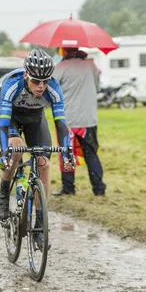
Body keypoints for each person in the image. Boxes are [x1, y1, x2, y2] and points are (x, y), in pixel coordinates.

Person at [0, 49, 73, 247]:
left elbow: (61, 124)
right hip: (11, 118)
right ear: (26, 75)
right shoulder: (12, 84)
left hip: (35, 119)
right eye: (36, 81)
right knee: (16, 150)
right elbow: (3, 124)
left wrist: (67, 152)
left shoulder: (53, 88)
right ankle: (3, 193)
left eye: (45, 81)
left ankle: (39, 225)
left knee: (44, 164)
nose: (41, 86)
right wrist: (5, 153)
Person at [51, 47, 106, 196]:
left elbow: (52, 91)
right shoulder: (91, 65)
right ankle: (99, 188)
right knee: (91, 154)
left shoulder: (61, 67)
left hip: (67, 120)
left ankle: (68, 188)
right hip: (88, 119)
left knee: (67, 154)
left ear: (64, 51)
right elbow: (97, 87)